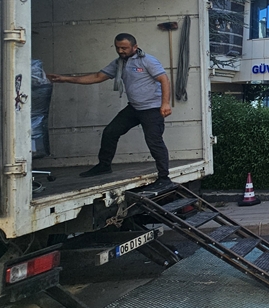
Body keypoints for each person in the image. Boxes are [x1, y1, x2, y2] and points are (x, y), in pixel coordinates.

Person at [47, 33, 174, 192]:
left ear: (135, 47)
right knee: (110, 132)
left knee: (154, 141)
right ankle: (104, 166)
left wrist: (165, 104)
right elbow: (97, 77)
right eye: (117, 47)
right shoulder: (119, 63)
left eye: (124, 48)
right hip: (134, 108)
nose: (120, 51)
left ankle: (164, 178)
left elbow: (164, 79)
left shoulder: (147, 60)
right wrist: (65, 79)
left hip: (151, 109)